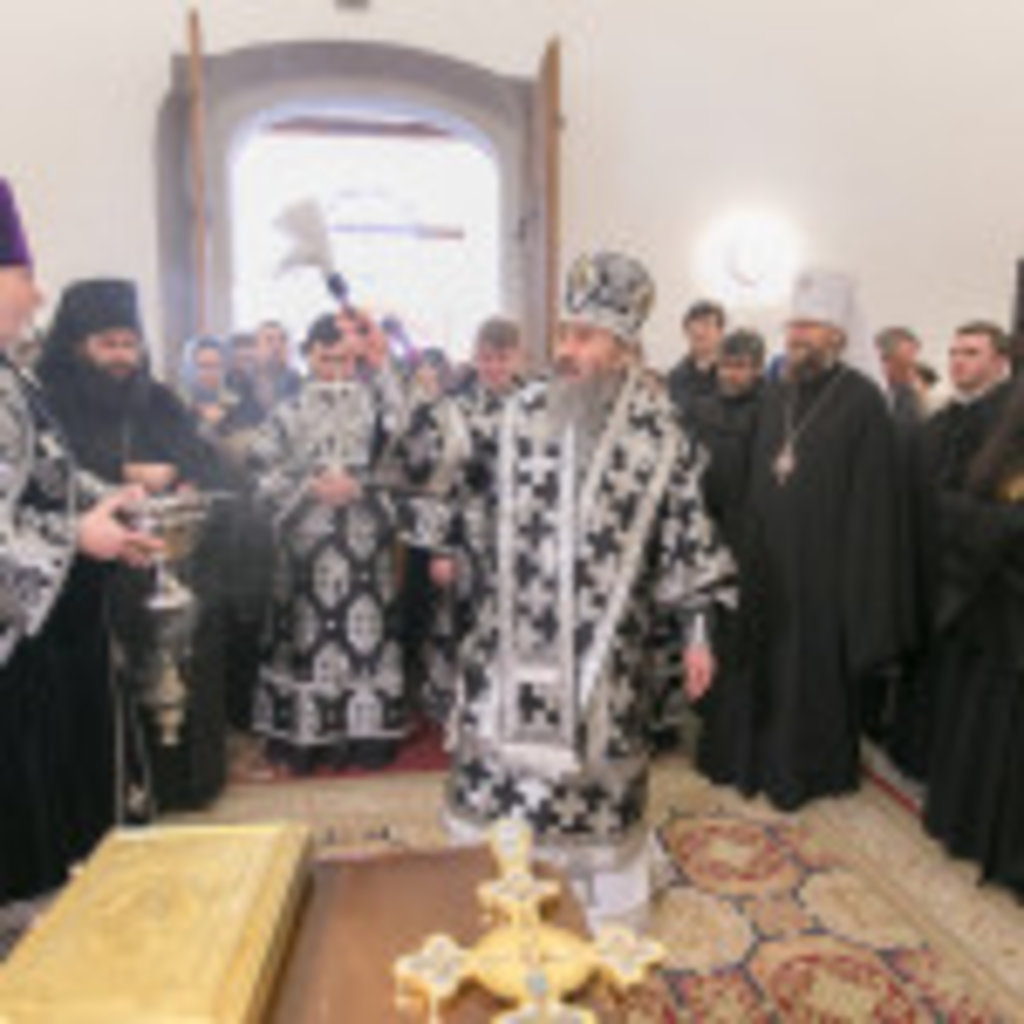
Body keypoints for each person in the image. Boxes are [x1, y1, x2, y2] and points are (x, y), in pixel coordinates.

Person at [432, 251, 734, 926]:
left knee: (592, 776)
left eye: (585, 337)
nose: (566, 349)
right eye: (564, 333)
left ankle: (598, 910)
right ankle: (500, 888)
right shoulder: (517, 412)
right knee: (504, 784)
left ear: (622, 348)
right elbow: (439, 462)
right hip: (510, 643)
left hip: (606, 656)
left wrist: (699, 632)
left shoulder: (662, 436)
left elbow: (687, 533)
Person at [0, 180, 158, 902]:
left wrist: (111, 506)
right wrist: (76, 536)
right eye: (24, 277)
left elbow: (48, 475)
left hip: (41, 645)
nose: (37, 296)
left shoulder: (12, 375)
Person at [37, 279, 228, 811]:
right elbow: (52, 476)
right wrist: (124, 473)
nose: (122, 356)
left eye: (129, 343)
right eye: (108, 344)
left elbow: (202, 460)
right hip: (91, 573)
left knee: (184, 659)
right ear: (79, 346)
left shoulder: (158, 398)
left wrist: (187, 480)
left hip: (168, 558)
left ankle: (184, 784)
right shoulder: (49, 402)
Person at [729, 269, 904, 810]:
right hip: (766, 562)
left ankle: (807, 769)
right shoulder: (776, 391)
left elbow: (874, 503)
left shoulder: (863, 401)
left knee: (809, 670)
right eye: (793, 325)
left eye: (808, 326)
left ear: (837, 334)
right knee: (765, 663)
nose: (796, 335)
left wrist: (856, 580)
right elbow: (758, 472)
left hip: (825, 570)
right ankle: (756, 759)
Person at [249, 311, 411, 773]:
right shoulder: (286, 412)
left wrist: (362, 486)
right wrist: (307, 487)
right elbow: (259, 470)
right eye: (326, 359)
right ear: (308, 356)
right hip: (306, 549)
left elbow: (408, 461)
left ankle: (366, 739)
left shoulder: (378, 410)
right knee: (307, 638)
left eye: (345, 360)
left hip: (364, 550)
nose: (336, 370)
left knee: (365, 640)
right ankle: (307, 740)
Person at [888, 321, 1013, 779]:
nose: (958, 361)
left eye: (972, 353)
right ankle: (915, 754)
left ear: (1000, 361)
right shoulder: (939, 421)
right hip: (929, 566)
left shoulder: (1009, 426)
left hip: (978, 582)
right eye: (955, 352)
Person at [922, 365, 1024, 898]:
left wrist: (994, 528)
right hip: (993, 619)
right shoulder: (1002, 449)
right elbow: (958, 509)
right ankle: (968, 828)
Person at [666, 299, 726, 420]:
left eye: (706, 325)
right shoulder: (676, 376)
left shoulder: (733, 373)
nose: (699, 332)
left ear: (720, 332)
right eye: (694, 326)